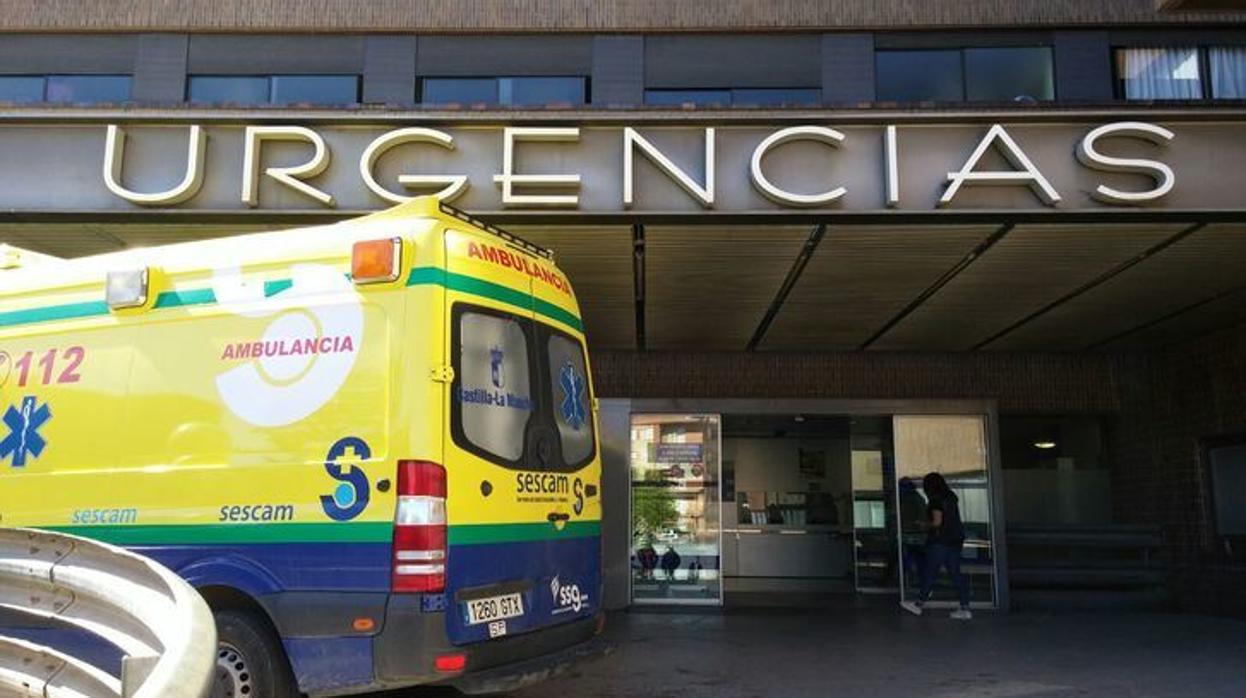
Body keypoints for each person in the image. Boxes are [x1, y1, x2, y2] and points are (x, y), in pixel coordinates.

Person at [900, 472, 972, 620]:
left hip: (940, 542)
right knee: (955, 574)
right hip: (955, 540)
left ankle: (919, 604)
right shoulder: (951, 497)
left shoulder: (935, 500)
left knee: (930, 572)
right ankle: (965, 608)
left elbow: (937, 523)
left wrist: (923, 524)